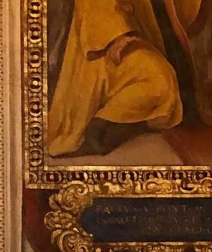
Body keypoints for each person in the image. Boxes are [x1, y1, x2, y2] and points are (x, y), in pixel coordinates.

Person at [46, 0, 191, 156]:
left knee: (162, 80)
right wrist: (118, 37)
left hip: (131, 39)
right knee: (158, 80)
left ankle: (106, 123)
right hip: (102, 48)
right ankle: (99, 128)